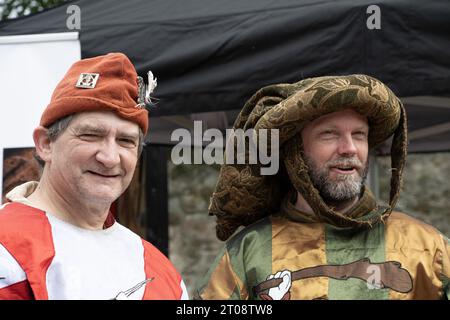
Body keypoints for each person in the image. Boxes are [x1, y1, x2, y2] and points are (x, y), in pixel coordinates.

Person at [195, 74, 450, 300]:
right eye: (329, 134)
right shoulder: (247, 254)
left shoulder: (428, 249)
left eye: (359, 134)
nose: (349, 148)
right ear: (294, 153)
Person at [0, 53, 188, 300]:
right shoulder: (7, 249)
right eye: (90, 135)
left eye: (126, 141)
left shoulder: (161, 272)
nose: (110, 157)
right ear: (46, 144)